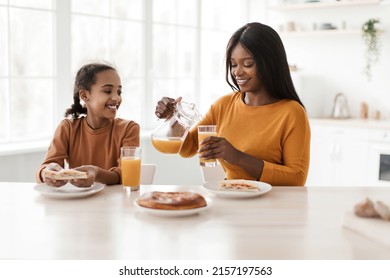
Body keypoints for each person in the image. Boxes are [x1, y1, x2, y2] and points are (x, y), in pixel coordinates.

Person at [155, 22, 310, 186]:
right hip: (230, 195)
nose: (237, 72)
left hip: (274, 205)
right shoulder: (224, 105)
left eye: (248, 64)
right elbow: (188, 148)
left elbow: (296, 178)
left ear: (270, 63)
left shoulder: (292, 112)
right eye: (233, 64)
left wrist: (238, 157)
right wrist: (175, 117)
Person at [36, 62, 140, 187]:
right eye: (108, 91)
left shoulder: (129, 128)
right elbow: (47, 165)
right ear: (85, 95)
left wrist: (96, 173)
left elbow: (126, 174)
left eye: (119, 92)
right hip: (79, 202)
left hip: (115, 202)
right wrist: (45, 173)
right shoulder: (68, 128)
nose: (117, 98)